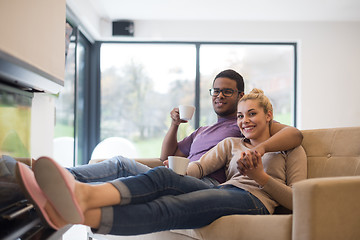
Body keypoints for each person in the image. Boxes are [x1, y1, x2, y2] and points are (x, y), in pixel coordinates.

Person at [16, 88, 307, 235]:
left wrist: (261, 176)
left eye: (252, 114)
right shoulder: (230, 143)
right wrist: (177, 173)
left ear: (269, 116)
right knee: (165, 178)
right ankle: (82, 197)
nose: (244, 121)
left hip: (255, 202)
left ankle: (79, 208)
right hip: (225, 191)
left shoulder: (288, 149)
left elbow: (300, 201)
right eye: (241, 116)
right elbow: (196, 170)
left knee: (174, 208)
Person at [67, 69, 303, 186]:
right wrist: (174, 125)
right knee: (120, 168)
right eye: (215, 91)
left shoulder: (246, 126)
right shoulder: (203, 130)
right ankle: (66, 183)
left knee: (120, 164)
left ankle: (66, 177)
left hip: (205, 181)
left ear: (240, 95)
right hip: (181, 174)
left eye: (227, 91)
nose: (219, 96)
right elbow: (166, 156)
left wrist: (258, 150)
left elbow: (294, 134)